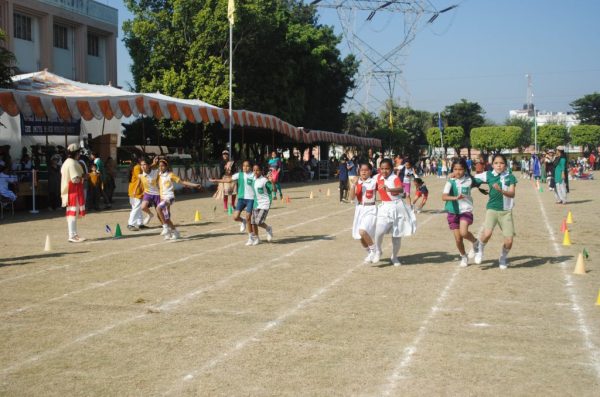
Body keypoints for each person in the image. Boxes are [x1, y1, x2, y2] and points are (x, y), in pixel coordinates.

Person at [473, 154, 518, 269]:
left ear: (505, 165)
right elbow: (472, 179)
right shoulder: (488, 174)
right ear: (492, 165)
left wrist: (501, 190)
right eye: (496, 163)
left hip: (506, 211)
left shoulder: (510, 177)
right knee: (487, 233)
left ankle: (502, 258)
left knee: (509, 241)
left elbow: (512, 194)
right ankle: (480, 250)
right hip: (492, 209)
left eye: (501, 163)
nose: (499, 165)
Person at [373, 158, 417, 266]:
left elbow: (401, 189)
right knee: (379, 230)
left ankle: (394, 256)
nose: (384, 171)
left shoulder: (394, 178)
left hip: (397, 207)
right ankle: (378, 250)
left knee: (397, 235)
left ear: (391, 169)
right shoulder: (377, 177)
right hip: (384, 207)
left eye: (387, 168)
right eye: (382, 168)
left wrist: (389, 189)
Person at [442, 158, 480, 268]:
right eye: (455, 169)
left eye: (460, 169)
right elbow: (443, 197)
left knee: (464, 233)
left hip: (465, 210)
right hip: (453, 212)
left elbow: (483, 179)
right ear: (452, 169)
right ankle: (464, 256)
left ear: (465, 170)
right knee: (458, 239)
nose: (458, 172)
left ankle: (475, 242)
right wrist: (455, 197)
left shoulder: (470, 180)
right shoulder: (450, 181)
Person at [210, 160, 255, 244]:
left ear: (250, 167)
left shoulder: (253, 175)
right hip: (241, 199)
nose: (245, 167)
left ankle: (250, 237)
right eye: (244, 166)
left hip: (251, 199)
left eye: (247, 166)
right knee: (235, 217)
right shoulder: (239, 174)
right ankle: (243, 221)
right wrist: (216, 180)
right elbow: (228, 180)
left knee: (249, 217)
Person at [156, 158, 201, 240]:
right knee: (166, 218)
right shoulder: (159, 175)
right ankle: (175, 232)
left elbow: (182, 182)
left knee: (158, 208)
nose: (161, 167)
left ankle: (165, 228)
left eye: (162, 166)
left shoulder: (170, 175)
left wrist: (194, 185)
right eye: (159, 166)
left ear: (166, 167)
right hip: (162, 198)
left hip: (169, 197)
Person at [349, 162, 378, 263]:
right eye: (362, 170)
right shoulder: (356, 182)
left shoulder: (374, 182)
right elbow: (351, 198)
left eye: (366, 170)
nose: (364, 172)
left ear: (370, 171)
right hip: (359, 209)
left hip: (371, 208)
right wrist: (353, 185)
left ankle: (374, 251)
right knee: (360, 236)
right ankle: (370, 253)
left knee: (362, 231)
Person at [60, 144, 86, 243]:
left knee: (72, 214)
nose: (79, 154)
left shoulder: (67, 162)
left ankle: (73, 234)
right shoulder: (71, 163)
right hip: (72, 191)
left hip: (70, 191)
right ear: (75, 153)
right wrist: (83, 177)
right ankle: (72, 235)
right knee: (72, 214)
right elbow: (75, 179)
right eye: (78, 152)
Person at [248, 163, 274, 245]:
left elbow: (274, 190)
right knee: (253, 222)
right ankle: (257, 239)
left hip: (265, 203)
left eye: (257, 170)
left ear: (261, 171)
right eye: (254, 170)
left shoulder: (265, 180)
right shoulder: (253, 179)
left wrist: (272, 182)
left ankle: (268, 228)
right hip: (256, 203)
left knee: (258, 221)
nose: (255, 172)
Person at [139, 157, 161, 232]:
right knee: (143, 207)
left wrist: (156, 163)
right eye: (141, 165)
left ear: (148, 165)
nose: (142, 166)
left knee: (159, 213)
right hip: (147, 193)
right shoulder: (141, 174)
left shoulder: (156, 172)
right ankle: (150, 214)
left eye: (144, 164)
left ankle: (165, 226)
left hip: (157, 194)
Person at [127, 156, 144, 231]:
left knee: (138, 207)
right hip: (135, 190)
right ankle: (131, 224)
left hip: (133, 190)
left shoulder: (134, 166)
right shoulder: (137, 167)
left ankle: (140, 223)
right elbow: (140, 177)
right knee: (136, 207)